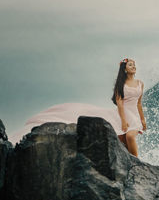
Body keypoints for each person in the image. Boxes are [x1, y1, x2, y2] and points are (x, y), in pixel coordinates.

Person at [8, 57, 147, 158]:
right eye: (130, 65)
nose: (134, 67)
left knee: (130, 136)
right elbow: (120, 103)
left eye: (134, 65)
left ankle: (137, 162)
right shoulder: (121, 85)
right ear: (125, 69)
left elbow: (139, 103)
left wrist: (143, 119)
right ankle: (132, 162)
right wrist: (123, 120)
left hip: (134, 114)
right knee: (122, 140)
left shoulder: (140, 83)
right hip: (122, 114)